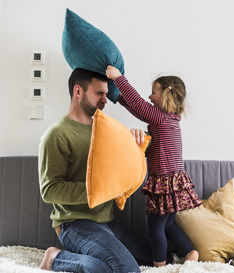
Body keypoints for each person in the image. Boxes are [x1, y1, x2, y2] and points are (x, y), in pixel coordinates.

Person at [38, 68, 153, 273]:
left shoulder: (107, 131)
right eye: (99, 93)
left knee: (160, 256)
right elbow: (50, 190)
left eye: (106, 93)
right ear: (78, 92)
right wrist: (102, 190)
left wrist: (134, 141)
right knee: (127, 270)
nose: (105, 99)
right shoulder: (56, 134)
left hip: (107, 223)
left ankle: (77, 257)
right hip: (74, 224)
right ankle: (55, 258)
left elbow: (121, 169)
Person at [106, 65, 201, 267]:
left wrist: (119, 78)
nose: (149, 97)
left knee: (155, 226)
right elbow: (137, 108)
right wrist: (117, 97)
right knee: (168, 224)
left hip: (165, 182)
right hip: (175, 182)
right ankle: (190, 251)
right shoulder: (171, 120)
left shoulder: (160, 118)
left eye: (153, 92)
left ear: (166, 95)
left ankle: (159, 265)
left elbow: (138, 104)